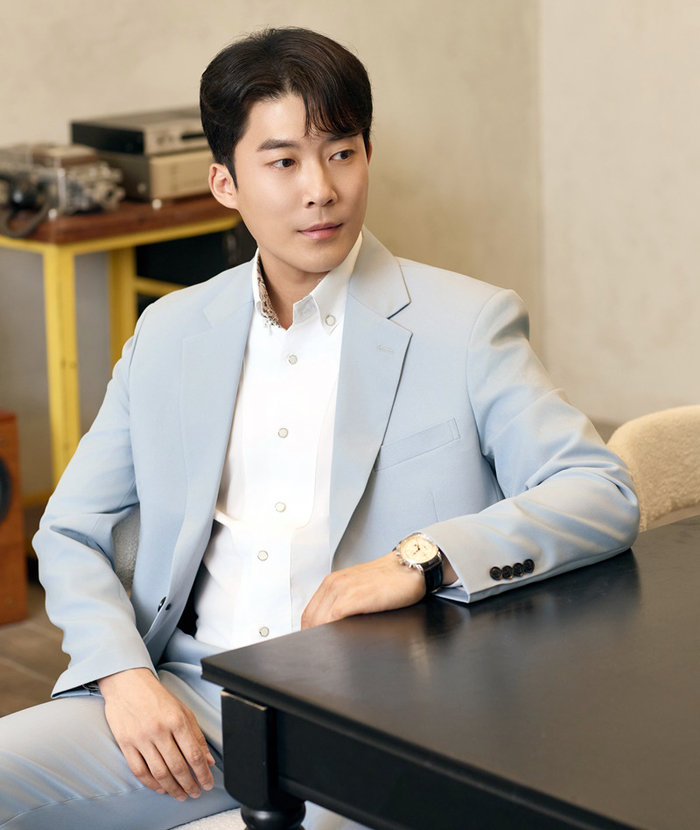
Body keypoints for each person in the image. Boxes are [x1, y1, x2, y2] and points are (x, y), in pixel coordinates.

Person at [0, 26, 639, 830]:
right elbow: (72, 531)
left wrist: (422, 559)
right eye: (284, 162)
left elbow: (600, 490)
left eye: (342, 153)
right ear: (225, 182)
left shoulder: (466, 324)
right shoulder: (169, 332)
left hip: (376, 720)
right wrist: (123, 676)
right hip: (190, 699)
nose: (321, 189)